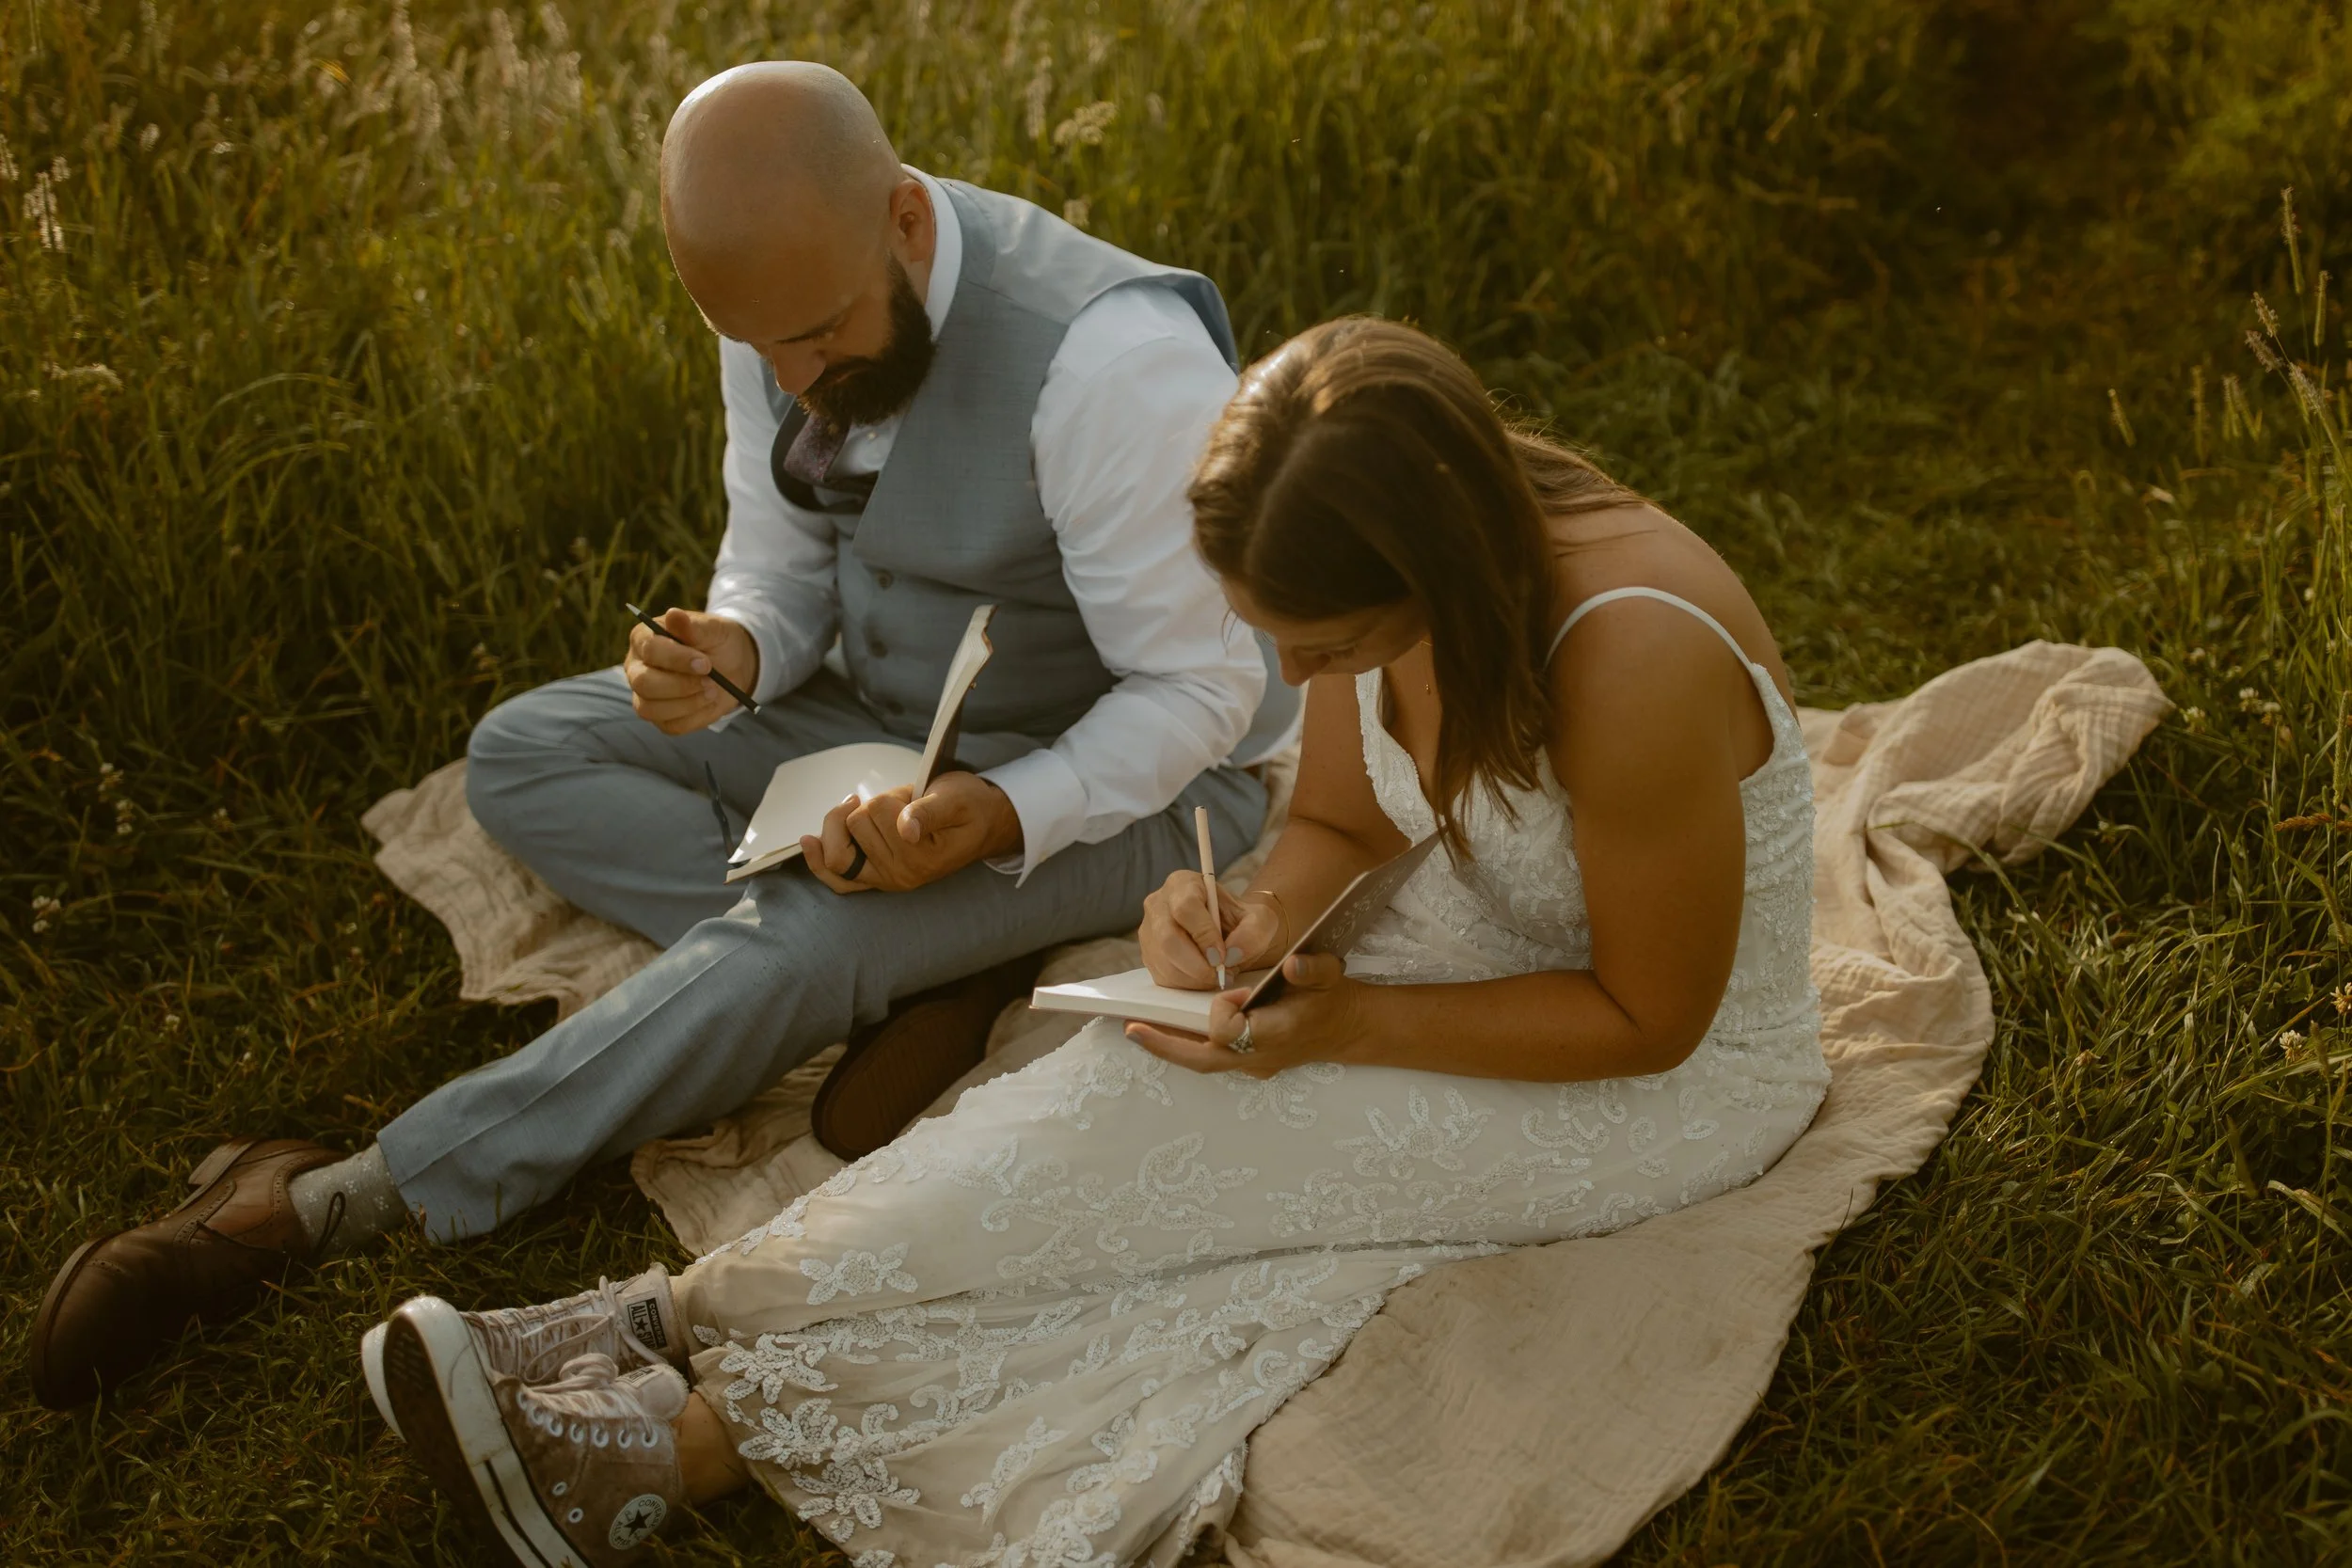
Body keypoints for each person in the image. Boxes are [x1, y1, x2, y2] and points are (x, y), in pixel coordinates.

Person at [362, 316, 1832, 1568]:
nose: (1305, 677)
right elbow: (1334, 818)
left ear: (1427, 568)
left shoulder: (1633, 657)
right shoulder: (1364, 560)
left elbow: (1657, 1016)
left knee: (1185, 1209)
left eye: (1323, 650)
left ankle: (679, 1422)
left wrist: (1348, 1028)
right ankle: (668, 1338)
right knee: (1107, 1093)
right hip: (1441, 955)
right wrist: (1248, 913)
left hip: (1653, 1079)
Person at [26, 62, 1298, 1412]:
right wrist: (736, 651)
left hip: (1131, 780)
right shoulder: (778, 297)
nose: (797, 385)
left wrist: (999, 814)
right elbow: (780, 553)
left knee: (798, 935)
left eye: (816, 339)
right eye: (763, 354)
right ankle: (909, 976)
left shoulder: (1113, 369)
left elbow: (1200, 694)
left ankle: (322, 1201)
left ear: (908, 222)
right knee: (525, 753)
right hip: (874, 721)